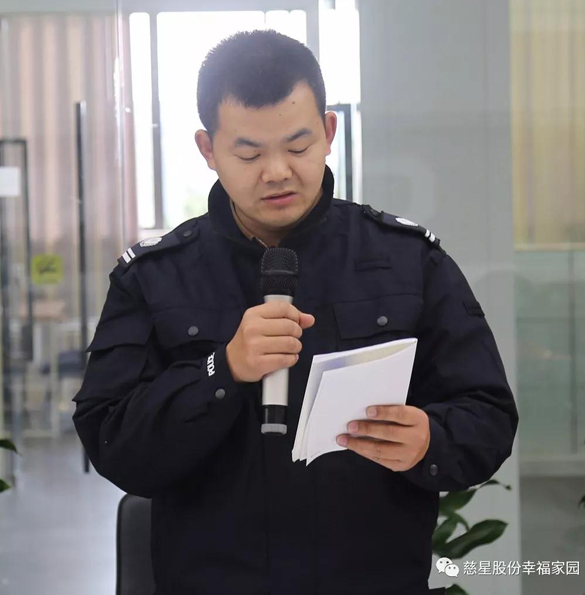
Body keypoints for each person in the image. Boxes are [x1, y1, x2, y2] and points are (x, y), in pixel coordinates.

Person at [72, 29, 519, 595]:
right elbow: (112, 443)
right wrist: (221, 370)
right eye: (249, 154)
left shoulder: (408, 262)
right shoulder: (154, 277)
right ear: (208, 149)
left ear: (329, 133)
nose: (277, 171)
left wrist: (431, 440)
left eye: (298, 147)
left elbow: (488, 416)